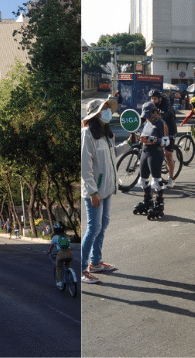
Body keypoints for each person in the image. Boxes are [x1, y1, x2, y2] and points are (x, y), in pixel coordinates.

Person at [82, 98, 123, 283]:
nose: (107, 111)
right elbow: (85, 166)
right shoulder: (87, 134)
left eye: (108, 109)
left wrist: (130, 143)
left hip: (106, 188)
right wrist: (92, 192)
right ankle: (83, 268)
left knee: (103, 225)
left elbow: (113, 155)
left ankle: (96, 263)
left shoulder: (106, 134)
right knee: (93, 228)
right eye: (104, 109)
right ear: (95, 113)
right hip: (95, 191)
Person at [134, 101, 168, 219]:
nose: (147, 117)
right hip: (144, 152)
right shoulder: (147, 123)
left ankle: (159, 203)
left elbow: (166, 142)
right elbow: (143, 137)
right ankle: (147, 200)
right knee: (143, 180)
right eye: (146, 115)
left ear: (154, 112)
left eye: (149, 114)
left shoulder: (161, 123)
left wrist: (153, 139)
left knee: (156, 181)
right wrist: (140, 138)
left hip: (155, 153)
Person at [149, 89, 178, 186]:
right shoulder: (152, 104)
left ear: (160, 99)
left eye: (155, 99)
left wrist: (155, 110)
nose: (153, 100)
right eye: (151, 98)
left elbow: (165, 114)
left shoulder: (166, 103)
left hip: (169, 130)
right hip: (159, 129)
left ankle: (171, 178)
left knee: (168, 155)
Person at [46, 223, 73, 288]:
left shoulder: (55, 237)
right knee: (68, 266)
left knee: (58, 267)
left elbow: (51, 246)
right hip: (69, 253)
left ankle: (60, 282)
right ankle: (70, 276)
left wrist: (49, 251)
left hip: (61, 254)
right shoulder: (66, 236)